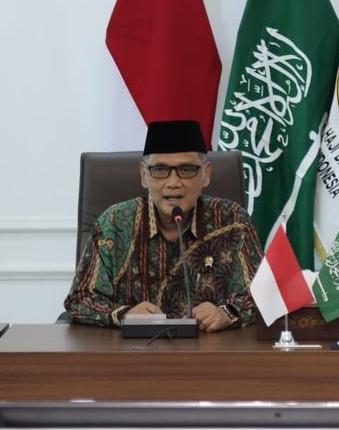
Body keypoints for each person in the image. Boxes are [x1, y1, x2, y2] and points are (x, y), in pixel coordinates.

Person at [65, 120, 262, 332]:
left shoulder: (233, 221)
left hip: (210, 349)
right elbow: (79, 300)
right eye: (160, 170)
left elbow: (263, 296)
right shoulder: (114, 224)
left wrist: (227, 313)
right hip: (134, 350)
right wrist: (125, 314)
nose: (173, 183)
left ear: (206, 174)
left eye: (186, 169)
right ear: (144, 175)